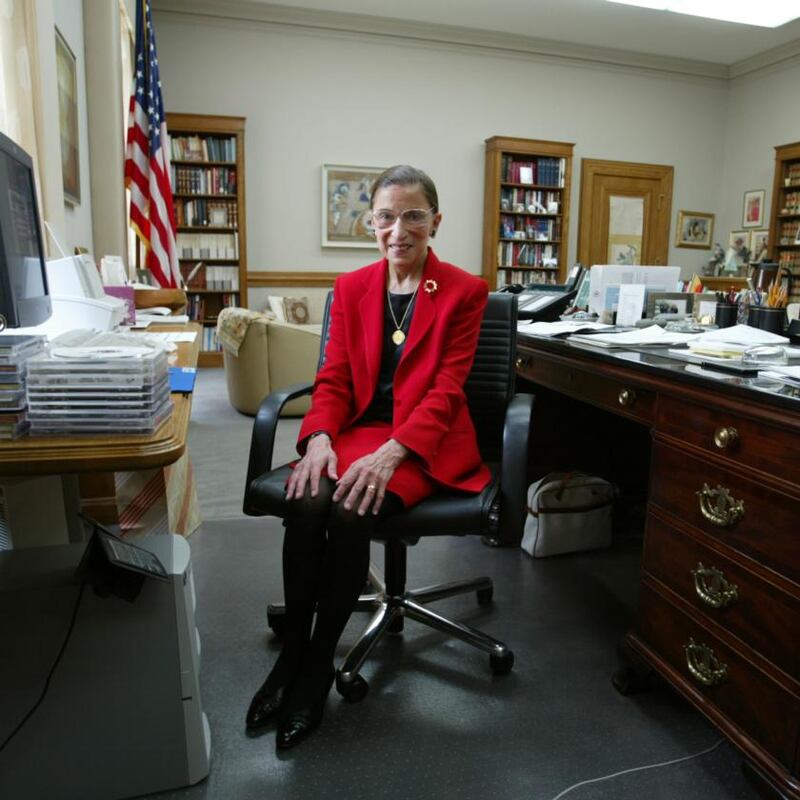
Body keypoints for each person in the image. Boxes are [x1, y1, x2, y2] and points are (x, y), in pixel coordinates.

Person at [245, 165, 491, 749]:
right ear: (370, 222)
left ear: (435, 221)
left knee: (352, 511)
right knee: (307, 501)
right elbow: (330, 379)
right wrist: (321, 438)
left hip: (422, 440)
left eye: (412, 215)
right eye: (386, 216)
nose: (398, 229)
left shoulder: (464, 291)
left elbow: (447, 389)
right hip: (355, 431)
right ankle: (295, 655)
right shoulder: (352, 288)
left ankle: (314, 672)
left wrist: (393, 451)